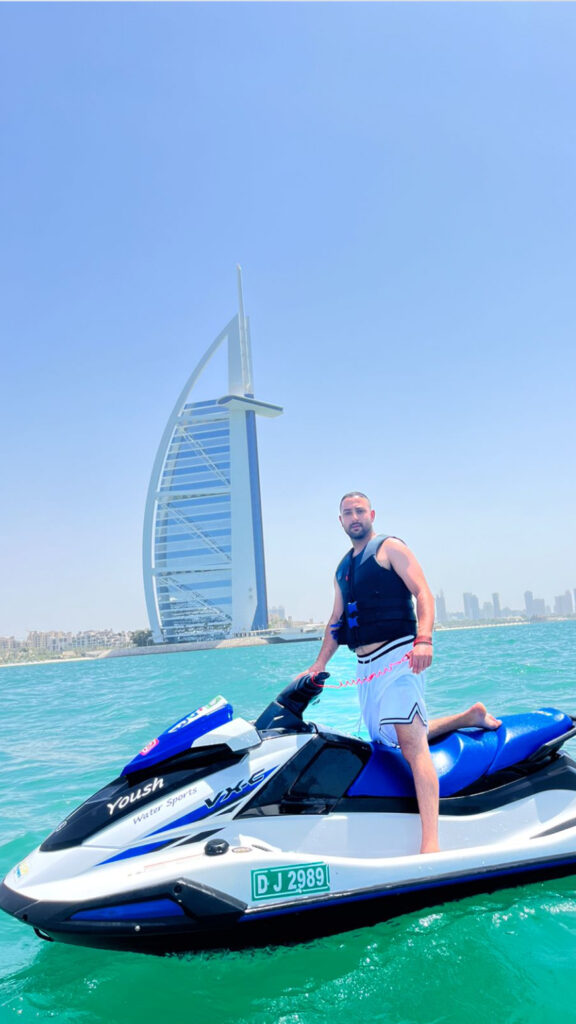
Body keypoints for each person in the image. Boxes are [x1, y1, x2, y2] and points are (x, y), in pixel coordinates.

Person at [299, 491, 500, 855]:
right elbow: (336, 621)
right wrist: (319, 665)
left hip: (399, 657)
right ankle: (468, 717)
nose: (354, 517)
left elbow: (423, 593)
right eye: (347, 513)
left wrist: (424, 639)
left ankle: (431, 842)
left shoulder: (389, 548)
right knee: (391, 739)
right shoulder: (342, 569)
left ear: (371, 514)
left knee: (411, 745)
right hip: (365, 667)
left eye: (360, 510)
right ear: (340, 521)